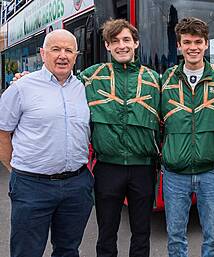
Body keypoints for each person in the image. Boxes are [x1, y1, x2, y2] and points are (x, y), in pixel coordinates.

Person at [0, 29, 93, 257]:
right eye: (56, 49)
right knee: (27, 252)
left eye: (69, 50)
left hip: (76, 185)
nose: (63, 55)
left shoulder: (84, 88)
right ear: (43, 54)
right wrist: (16, 170)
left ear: (76, 55)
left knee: (68, 250)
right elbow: (3, 132)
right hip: (32, 186)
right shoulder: (21, 88)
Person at [79, 19, 161, 257]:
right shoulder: (90, 78)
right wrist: (26, 78)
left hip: (143, 168)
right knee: (106, 234)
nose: (121, 46)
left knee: (141, 233)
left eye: (126, 40)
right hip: (107, 168)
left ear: (136, 43)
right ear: (107, 46)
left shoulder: (154, 80)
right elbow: (59, 83)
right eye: (115, 41)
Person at [160, 17, 214, 257]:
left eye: (198, 42)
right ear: (179, 46)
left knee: (213, 237)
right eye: (187, 42)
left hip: (211, 170)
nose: (193, 47)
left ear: (206, 44)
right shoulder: (166, 80)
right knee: (175, 237)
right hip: (175, 172)